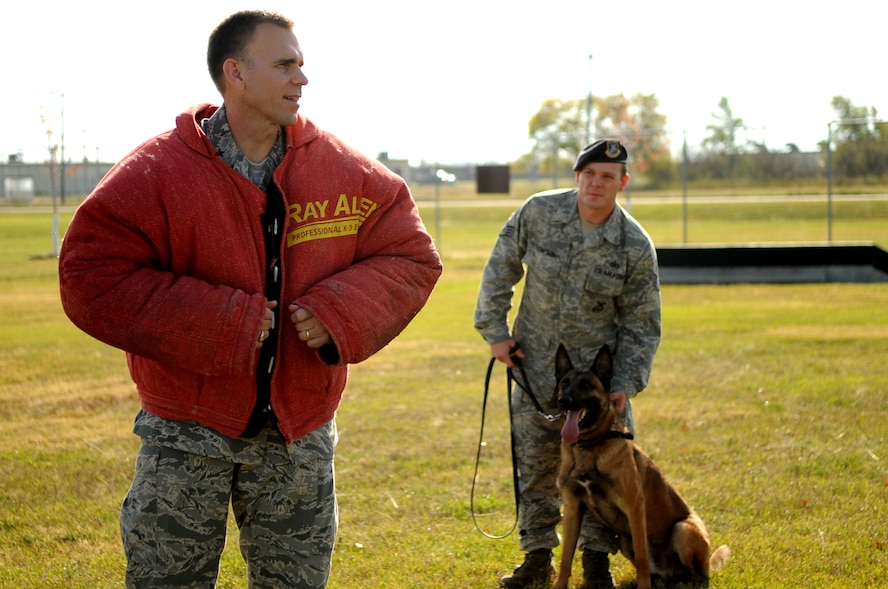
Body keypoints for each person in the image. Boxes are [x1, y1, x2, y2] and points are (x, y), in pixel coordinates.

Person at [58, 10, 441, 589]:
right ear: (235, 73)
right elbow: (89, 274)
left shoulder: (345, 170)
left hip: (299, 438)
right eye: (285, 64)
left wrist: (340, 310)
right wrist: (225, 322)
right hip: (186, 436)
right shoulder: (157, 171)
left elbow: (411, 256)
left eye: (302, 65)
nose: (301, 79)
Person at [474, 139, 661, 589]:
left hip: (599, 390)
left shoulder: (633, 244)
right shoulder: (538, 214)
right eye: (590, 174)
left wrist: (625, 384)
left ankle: (596, 564)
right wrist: (495, 332)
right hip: (537, 375)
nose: (597, 184)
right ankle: (536, 558)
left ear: (623, 183)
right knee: (536, 468)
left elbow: (642, 323)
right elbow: (500, 269)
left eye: (608, 177)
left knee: (603, 474)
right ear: (577, 176)